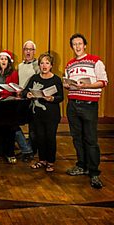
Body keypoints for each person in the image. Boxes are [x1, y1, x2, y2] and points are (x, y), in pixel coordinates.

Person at [64, 33, 108, 189]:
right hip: (73, 105)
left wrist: (87, 86)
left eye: (79, 44)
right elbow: (67, 80)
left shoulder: (95, 61)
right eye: (74, 44)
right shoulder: (69, 64)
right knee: (77, 138)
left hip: (89, 104)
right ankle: (81, 165)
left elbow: (103, 81)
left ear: (85, 45)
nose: (77, 47)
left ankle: (94, 172)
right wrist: (67, 85)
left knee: (90, 139)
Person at [22, 53, 63, 172]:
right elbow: (25, 91)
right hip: (37, 114)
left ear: (51, 65)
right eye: (42, 63)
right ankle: (42, 160)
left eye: (47, 63)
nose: (44, 65)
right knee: (40, 138)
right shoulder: (35, 78)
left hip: (51, 115)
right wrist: (28, 94)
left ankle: (50, 162)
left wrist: (52, 99)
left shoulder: (56, 79)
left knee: (50, 138)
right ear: (39, 65)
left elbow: (60, 97)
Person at [17, 40, 39, 161]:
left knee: (33, 128)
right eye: (26, 49)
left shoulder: (37, 66)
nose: (28, 52)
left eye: (30, 49)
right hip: (21, 99)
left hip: (33, 99)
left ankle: (31, 151)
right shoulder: (20, 66)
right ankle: (26, 148)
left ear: (34, 52)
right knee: (14, 124)